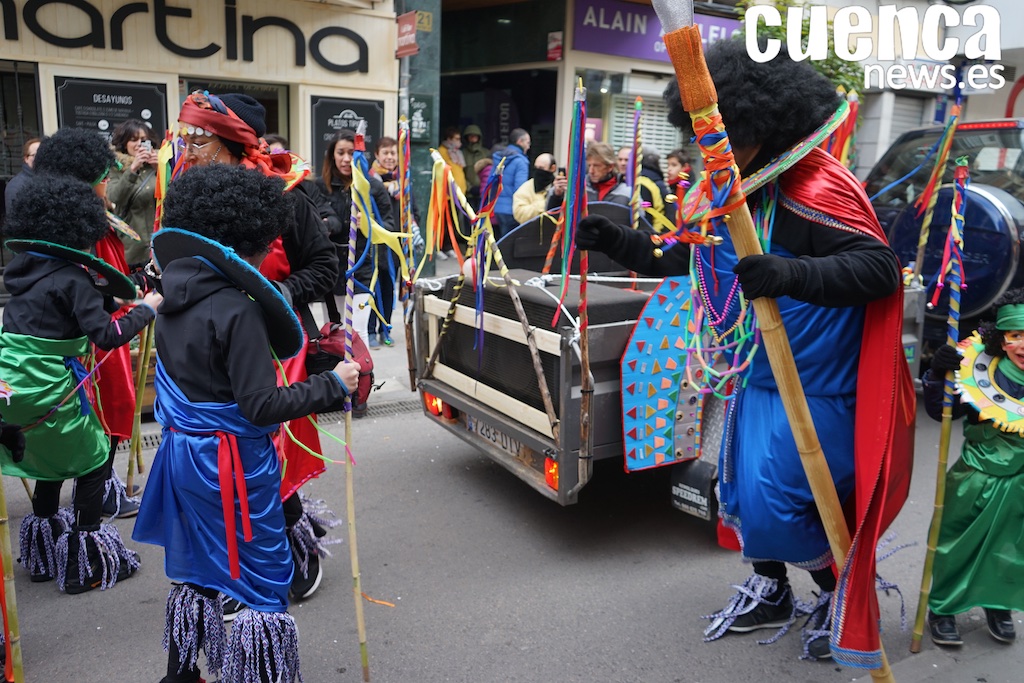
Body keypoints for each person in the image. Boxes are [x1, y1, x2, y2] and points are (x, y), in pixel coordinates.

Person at [573, 38, 913, 664]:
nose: (711, 148)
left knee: (784, 501)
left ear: (764, 124)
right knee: (738, 496)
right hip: (750, 377)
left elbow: (879, 270)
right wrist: (620, 242)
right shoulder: (723, 187)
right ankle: (772, 588)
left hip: (817, 386)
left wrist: (791, 274)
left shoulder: (817, 185)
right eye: (705, 134)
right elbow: (690, 259)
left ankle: (833, 594)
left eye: (724, 133)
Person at [133, 164, 360, 683]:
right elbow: (259, 406)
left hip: (181, 458)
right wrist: (335, 383)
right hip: (232, 466)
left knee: (195, 571)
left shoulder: (168, 296)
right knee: (262, 579)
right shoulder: (238, 308)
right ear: (248, 243)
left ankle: (180, 674)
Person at [173, 90, 342, 610]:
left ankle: (290, 549)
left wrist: (273, 295)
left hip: (274, 346)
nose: (187, 151)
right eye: (185, 140)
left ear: (231, 145)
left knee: (275, 455)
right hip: (208, 345)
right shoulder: (188, 193)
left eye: (198, 141)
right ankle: (234, 565)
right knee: (223, 462)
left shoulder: (285, 196)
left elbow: (325, 267)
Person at [1, 173, 160, 594]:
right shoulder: (74, 277)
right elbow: (106, 335)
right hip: (47, 385)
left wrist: (116, 299)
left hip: (10, 386)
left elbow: (61, 303)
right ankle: (83, 565)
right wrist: (146, 309)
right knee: (93, 457)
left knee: (52, 458)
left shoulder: (26, 270)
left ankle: (43, 551)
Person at [33, 126, 147, 520]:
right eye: (103, 178)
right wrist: (131, 301)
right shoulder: (79, 227)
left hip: (81, 333)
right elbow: (93, 286)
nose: (107, 184)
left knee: (79, 422)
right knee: (103, 415)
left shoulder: (71, 219)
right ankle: (93, 510)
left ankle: (66, 514)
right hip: (93, 338)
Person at [922, 290, 1024, 648]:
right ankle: (942, 609)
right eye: (1016, 335)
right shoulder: (979, 371)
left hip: (1021, 484)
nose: (1023, 345)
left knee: (1011, 549)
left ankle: (998, 605)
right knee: (954, 546)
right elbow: (941, 412)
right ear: (1001, 338)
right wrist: (939, 372)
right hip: (975, 477)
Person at [316, 130, 395, 360]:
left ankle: (362, 379)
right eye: (340, 153)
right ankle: (337, 378)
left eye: (351, 153)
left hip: (361, 268)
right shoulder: (320, 187)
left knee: (358, 332)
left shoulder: (373, 187)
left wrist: (370, 225)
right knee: (334, 331)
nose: (346, 159)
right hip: (331, 269)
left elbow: (389, 226)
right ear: (332, 155)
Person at [369, 135, 421, 348]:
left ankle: (385, 329)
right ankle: (370, 331)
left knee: (389, 288)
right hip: (375, 245)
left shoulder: (404, 183)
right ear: (377, 155)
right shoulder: (370, 181)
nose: (390, 157)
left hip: (396, 247)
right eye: (385, 153)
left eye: (393, 153)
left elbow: (414, 211)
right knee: (373, 288)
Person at [107, 119, 160, 267]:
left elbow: (172, 197)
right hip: (131, 247)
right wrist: (133, 169)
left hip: (157, 244)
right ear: (124, 144)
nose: (139, 144)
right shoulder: (117, 168)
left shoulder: (161, 163)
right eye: (133, 140)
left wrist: (160, 170)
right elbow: (114, 197)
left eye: (143, 140)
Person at [547, 141, 631, 212]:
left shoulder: (627, 192)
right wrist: (557, 195)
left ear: (610, 167)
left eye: (596, 166)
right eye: (589, 165)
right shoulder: (579, 187)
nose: (591, 171)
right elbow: (552, 215)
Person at [491, 128, 531, 236]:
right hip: (512, 210)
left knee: (500, 241)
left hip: (497, 208)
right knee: (510, 243)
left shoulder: (499, 158)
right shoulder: (521, 162)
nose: (529, 146)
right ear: (520, 141)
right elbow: (520, 189)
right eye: (527, 142)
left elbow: (491, 182)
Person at [512, 153, 558, 224]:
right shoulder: (526, 188)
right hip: (534, 229)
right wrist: (546, 203)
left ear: (553, 168)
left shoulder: (558, 186)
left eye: (541, 168)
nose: (538, 172)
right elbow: (519, 213)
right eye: (536, 168)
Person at [4, 137, 40, 215]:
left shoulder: (52, 178)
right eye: (35, 155)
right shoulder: (16, 185)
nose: (39, 158)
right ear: (26, 158)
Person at [461, 124, 489, 204]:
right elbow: (460, 173)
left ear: (479, 137)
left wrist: (484, 186)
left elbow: (490, 172)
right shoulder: (462, 154)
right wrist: (469, 187)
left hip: (483, 193)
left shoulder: (486, 153)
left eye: (475, 136)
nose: (473, 138)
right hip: (468, 194)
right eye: (470, 136)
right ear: (467, 137)